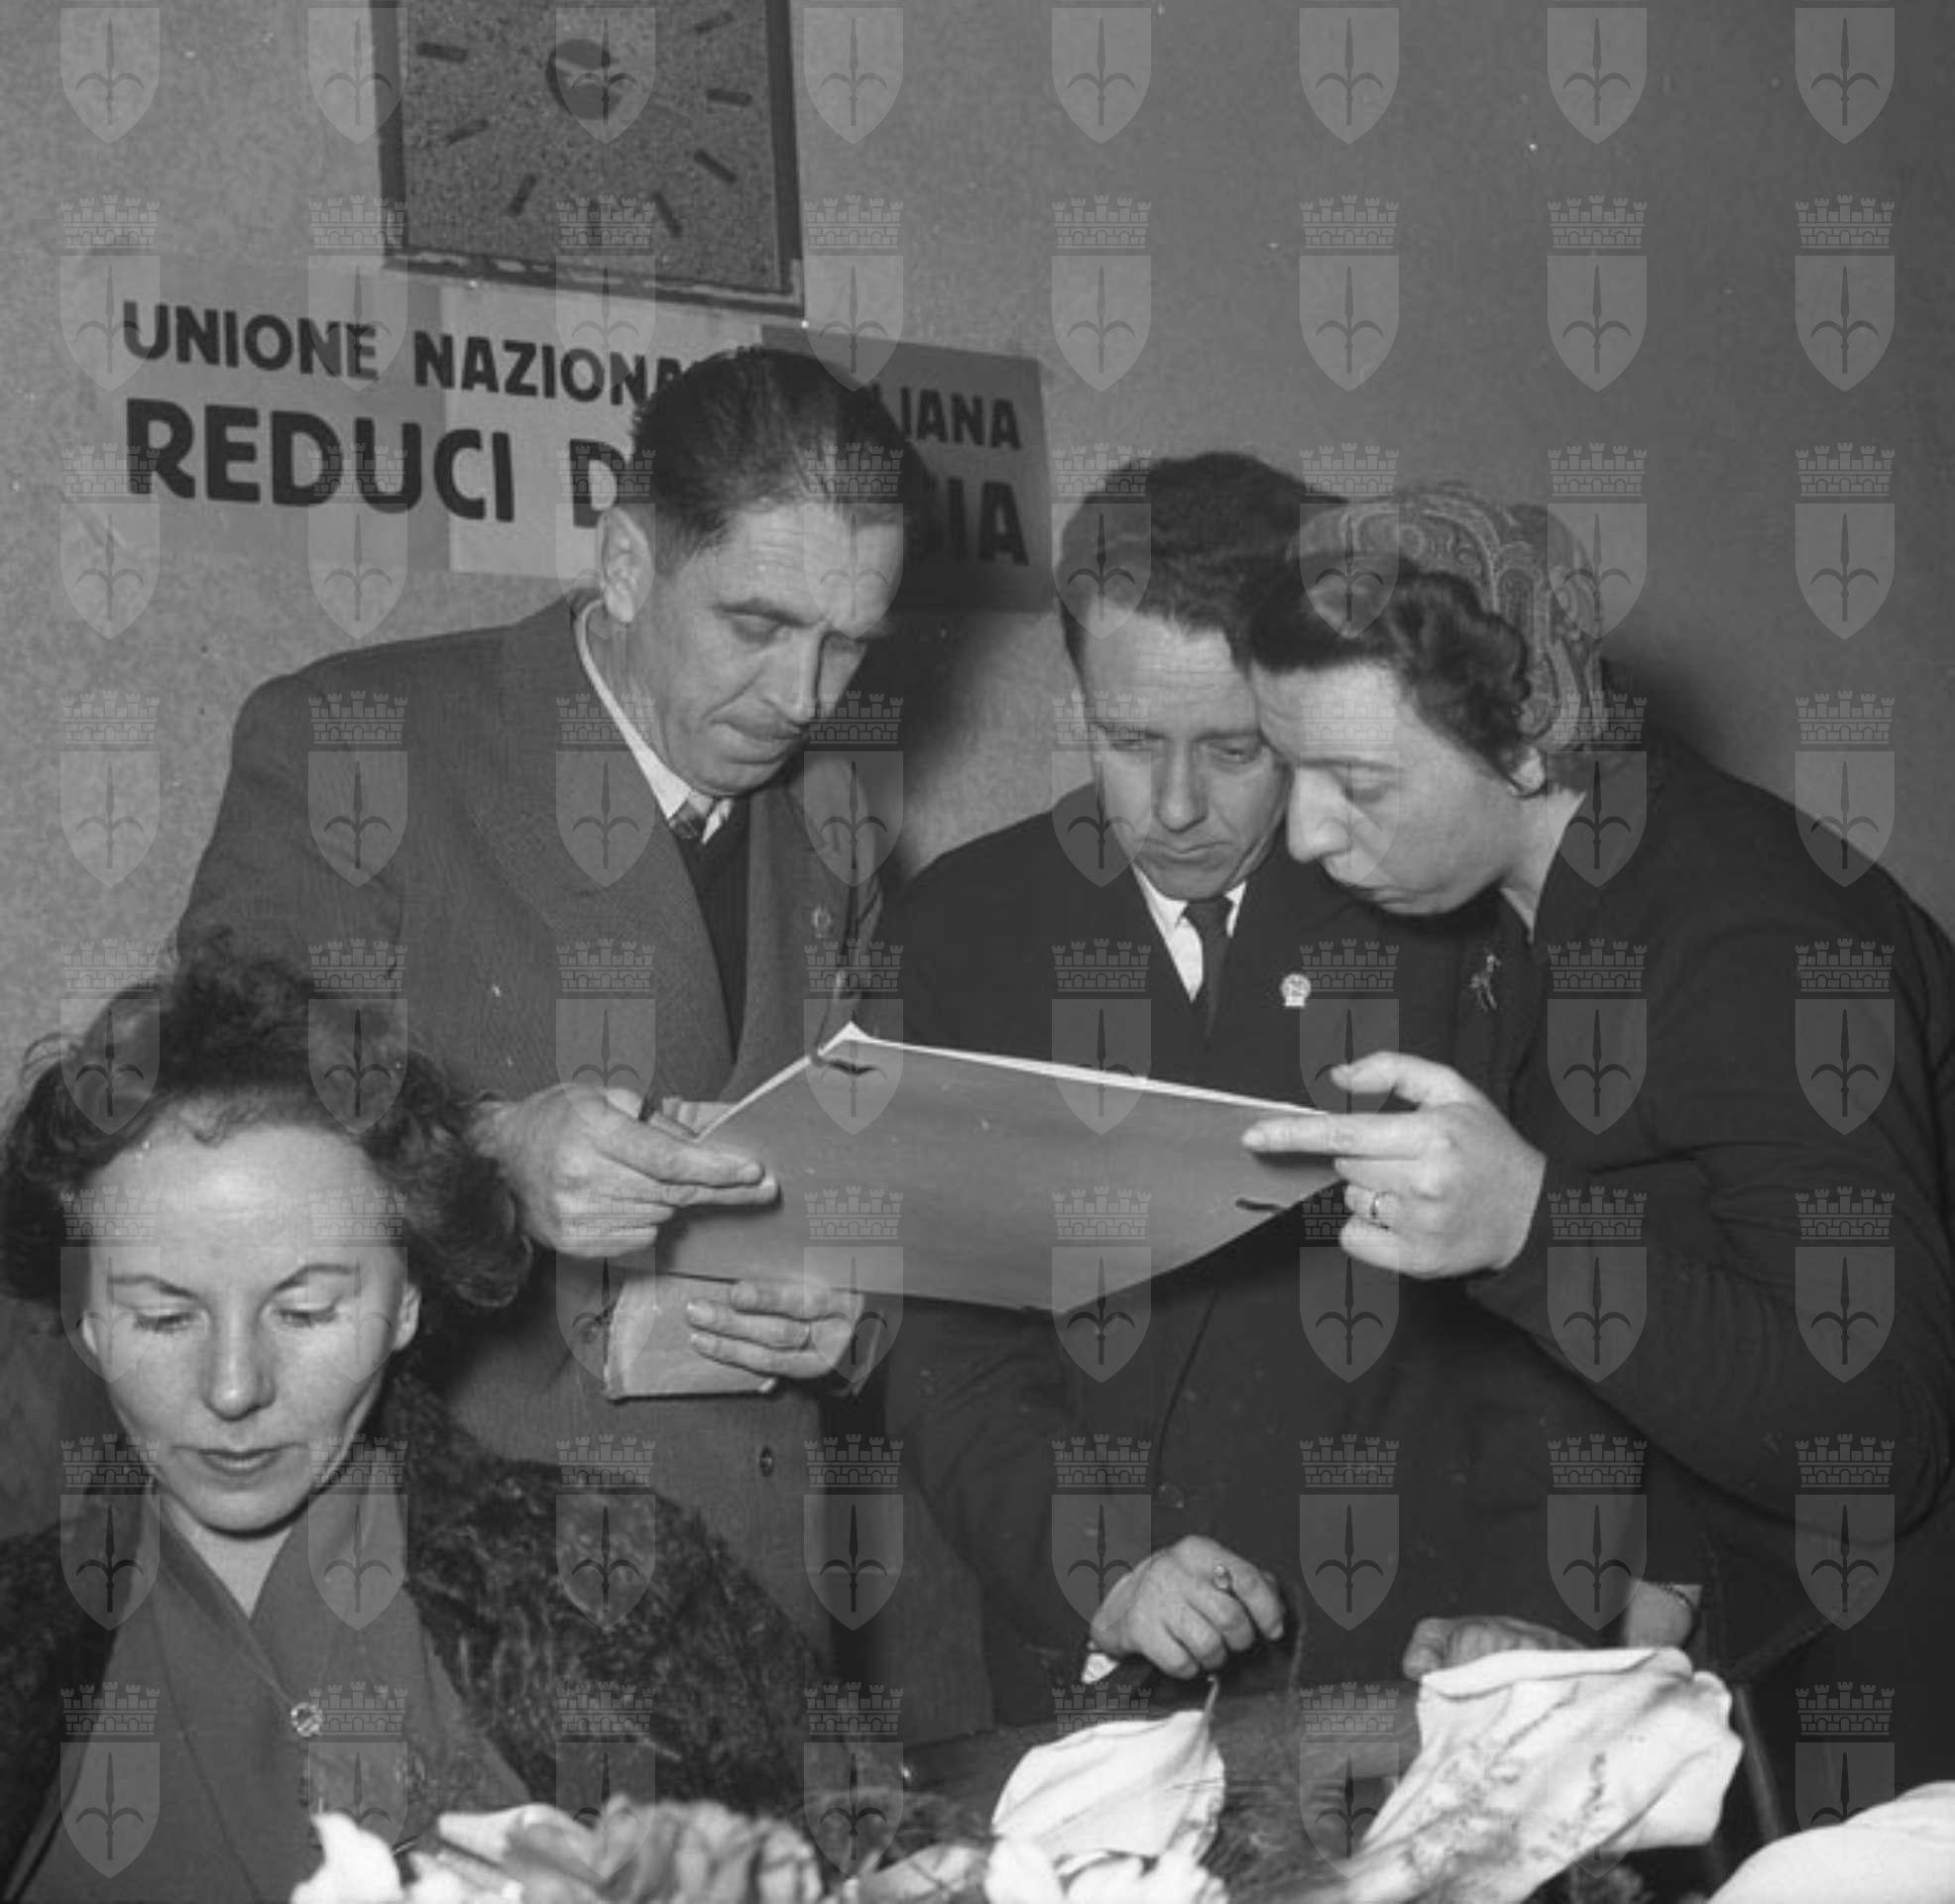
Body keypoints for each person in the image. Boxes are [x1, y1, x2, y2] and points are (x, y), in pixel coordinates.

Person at [175, 347, 933, 1650]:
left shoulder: (840, 818)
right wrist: (486, 1154)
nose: (805, 699)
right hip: (437, 1605)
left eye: (848, 644)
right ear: (627, 563)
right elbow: (212, 1128)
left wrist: (851, 1308)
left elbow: (885, 1161)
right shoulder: (356, 739)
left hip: (758, 1600)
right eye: (757, 627)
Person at [877, 456, 1624, 1727]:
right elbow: (948, 1345)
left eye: (1235, 748)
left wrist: (1535, 1602)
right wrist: (1101, 1565)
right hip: (1106, 1672)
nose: (1175, 807)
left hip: (1426, 1646)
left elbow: (1552, 1310)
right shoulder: (960, 926)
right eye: (1127, 741)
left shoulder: (1441, 907)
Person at [1237, 482, 1955, 1801]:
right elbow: (1708, 1290)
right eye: (1289, 767)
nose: (1305, 831)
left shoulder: (1749, 936)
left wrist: (1529, 1231)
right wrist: (1630, 1624)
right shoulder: (1544, 903)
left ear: (1524, 742)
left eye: (1357, 782)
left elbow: (1880, 1432)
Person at [0, 948, 821, 1902]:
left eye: (305, 1312)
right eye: (163, 1317)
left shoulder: (630, 1590)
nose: (233, 1389)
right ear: (86, 1322)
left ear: (407, 1303)